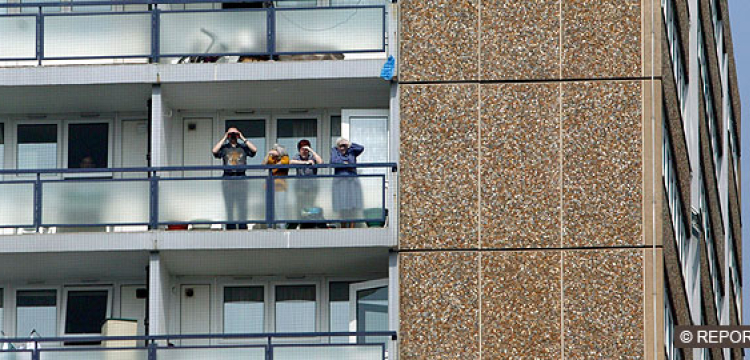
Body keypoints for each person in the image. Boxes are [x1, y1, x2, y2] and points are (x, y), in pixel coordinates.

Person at [212, 127, 257, 230]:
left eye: (234, 134)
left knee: (242, 205)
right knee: (229, 205)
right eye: (231, 134)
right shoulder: (224, 148)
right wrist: (225, 137)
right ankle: (230, 227)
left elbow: (254, 150)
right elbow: (214, 151)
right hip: (228, 179)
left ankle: (242, 227)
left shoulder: (243, 147)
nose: (232, 136)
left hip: (241, 178)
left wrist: (242, 137)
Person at [288, 140, 324, 229]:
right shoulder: (297, 157)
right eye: (302, 149)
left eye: (306, 149)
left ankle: (310, 223)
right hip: (300, 186)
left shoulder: (312, 156)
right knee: (300, 205)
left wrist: (311, 151)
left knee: (311, 204)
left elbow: (321, 162)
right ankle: (300, 223)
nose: (304, 151)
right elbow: (290, 162)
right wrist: (305, 163)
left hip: (312, 186)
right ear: (299, 150)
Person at [330, 137, 364, 228]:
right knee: (342, 206)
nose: (342, 148)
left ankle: (352, 227)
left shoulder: (351, 151)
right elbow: (333, 161)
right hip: (340, 182)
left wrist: (349, 144)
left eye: (344, 146)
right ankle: (343, 227)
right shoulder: (335, 151)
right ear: (337, 147)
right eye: (340, 146)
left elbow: (361, 148)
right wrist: (346, 163)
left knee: (353, 205)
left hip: (352, 182)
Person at [262, 144, 290, 228]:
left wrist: (275, 157)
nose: (273, 151)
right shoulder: (271, 158)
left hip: (281, 187)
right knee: (270, 208)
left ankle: (281, 226)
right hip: (269, 187)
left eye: (275, 150)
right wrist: (268, 154)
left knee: (280, 208)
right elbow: (263, 165)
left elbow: (278, 165)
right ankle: (269, 226)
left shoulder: (285, 158)